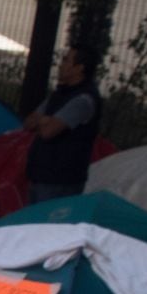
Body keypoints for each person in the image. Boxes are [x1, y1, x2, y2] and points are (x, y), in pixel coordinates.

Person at [24, 46, 102, 203]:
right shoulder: (59, 94)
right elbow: (29, 122)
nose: (61, 65)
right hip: (41, 175)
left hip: (60, 181)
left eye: (66, 60)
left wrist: (45, 122)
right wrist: (46, 120)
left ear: (79, 68)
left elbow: (48, 132)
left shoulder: (83, 100)